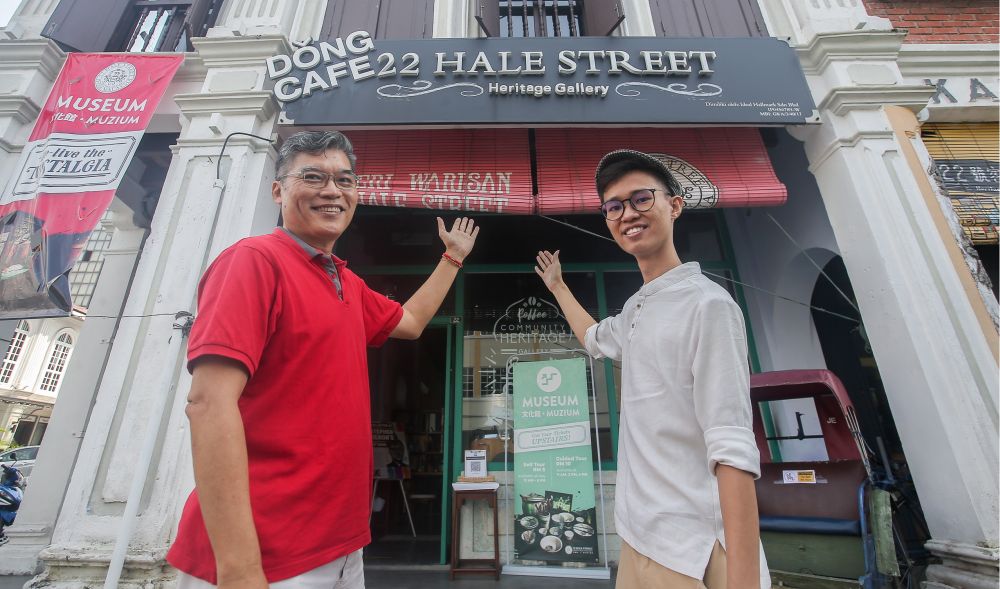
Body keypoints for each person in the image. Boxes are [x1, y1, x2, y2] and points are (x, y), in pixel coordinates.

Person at [166, 131, 479, 589]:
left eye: (345, 180)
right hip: (271, 554)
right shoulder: (253, 262)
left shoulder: (344, 281)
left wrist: (452, 258)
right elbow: (208, 404)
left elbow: (410, 322)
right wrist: (239, 570)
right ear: (278, 191)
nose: (332, 191)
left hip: (340, 543)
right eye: (312, 177)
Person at [534, 149, 769, 589]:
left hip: (690, 549)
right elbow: (593, 339)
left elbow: (732, 447)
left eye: (642, 199)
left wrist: (744, 581)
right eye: (614, 206)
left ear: (674, 205)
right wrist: (558, 286)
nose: (627, 214)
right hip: (638, 535)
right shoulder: (639, 308)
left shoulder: (709, 305)